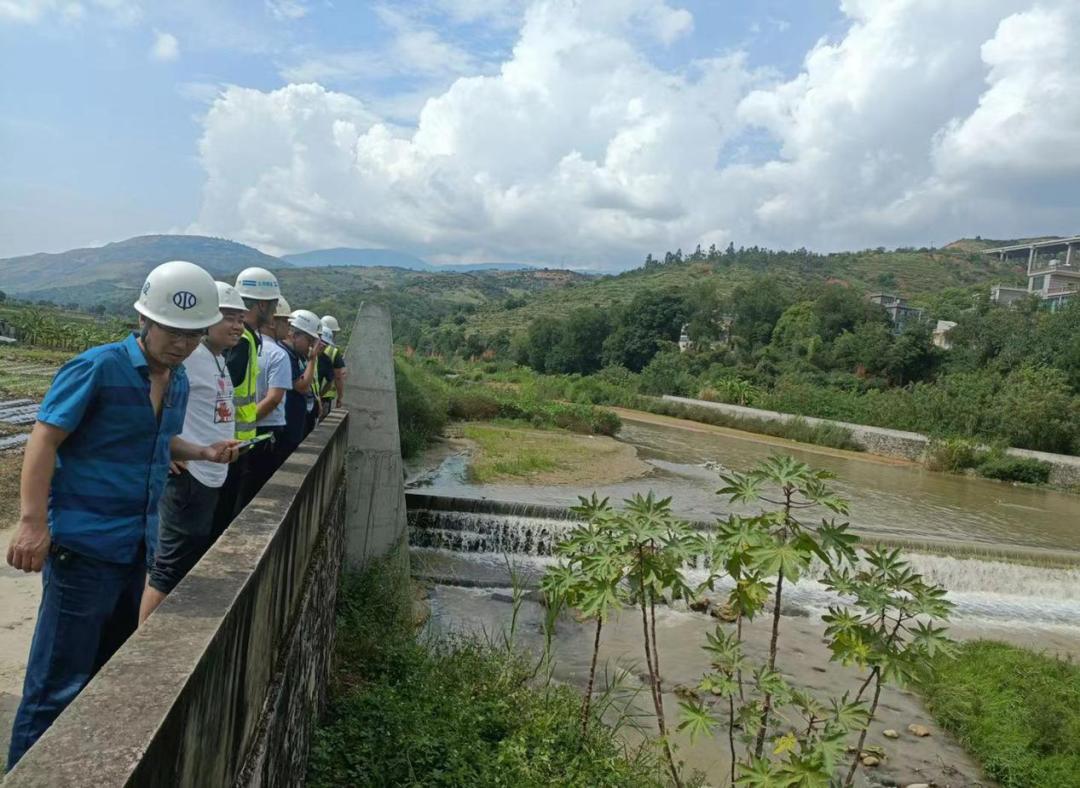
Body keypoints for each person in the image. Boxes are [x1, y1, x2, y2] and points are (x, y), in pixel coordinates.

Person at [5, 261, 239, 769]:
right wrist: (31, 521)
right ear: (145, 321)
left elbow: (157, 443)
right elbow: (44, 438)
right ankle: (29, 771)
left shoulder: (176, 383)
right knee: (55, 684)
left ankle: (83, 769)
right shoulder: (98, 367)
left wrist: (201, 453)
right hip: (83, 548)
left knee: (106, 670)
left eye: (193, 336)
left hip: (137, 546)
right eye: (172, 332)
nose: (181, 344)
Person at [139, 281, 247, 623]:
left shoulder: (215, 359)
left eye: (240, 318)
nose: (237, 325)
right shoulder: (188, 358)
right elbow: (153, 403)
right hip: (188, 477)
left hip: (209, 471)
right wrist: (165, 449)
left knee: (184, 563)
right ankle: (143, 646)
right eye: (228, 316)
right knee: (168, 568)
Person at [212, 266, 280, 534]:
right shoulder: (243, 340)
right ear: (262, 303)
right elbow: (222, 389)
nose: (274, 312)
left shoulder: (249, 338)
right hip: (227, 445)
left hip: (232, 443)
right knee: (218, 518)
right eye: (273, 305)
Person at [238, 294, 292, 506]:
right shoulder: (278, 355)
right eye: (284, 322)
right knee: (256, 492)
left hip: (240, 432)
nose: (288, 328)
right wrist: (248, 422)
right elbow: (274, 399)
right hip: (265, 430)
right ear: (273, 321)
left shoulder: (250, 344)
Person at [276, 309, 324, 461]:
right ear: (294, 335)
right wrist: (312, 359)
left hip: (293, 425)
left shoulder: (295, 356)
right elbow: (301, 386)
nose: (311, 347)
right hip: (284, 428)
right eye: (310, 342)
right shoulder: (284, 355)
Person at [318, 314, 346, 418]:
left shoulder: (309, 347)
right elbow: (338, 377)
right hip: (325, 395)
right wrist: (340, 396)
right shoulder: (334, 352)